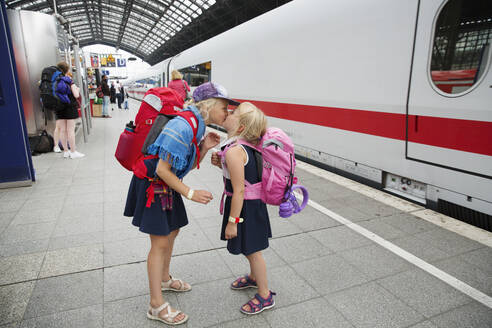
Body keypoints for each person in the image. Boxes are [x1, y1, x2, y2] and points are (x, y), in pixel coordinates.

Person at [124, 82, 239, 325]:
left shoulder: (197, 125)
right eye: (224, 107)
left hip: (165, 183)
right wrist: (190, 193)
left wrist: (204, 147)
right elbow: (164, 169)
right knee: (160, 241)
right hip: (153, 184)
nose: (227, 113)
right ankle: (155, 305)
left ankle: (164, 279)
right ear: (208, 105)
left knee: (172, 231)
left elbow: (181, 164)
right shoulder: (184, 125)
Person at [211, 102, 275, 315]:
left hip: (243, 208)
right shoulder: (245, 146)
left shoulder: (235, 151)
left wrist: (232, 222)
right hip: (252, 206)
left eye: (233, 113)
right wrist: (219, 162)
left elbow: (239, 190)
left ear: (240, 128)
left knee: (253, 251)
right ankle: (254, 277)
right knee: (251, 248)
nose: (228, 114)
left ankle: (265, 295)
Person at [52, 62, 85, 159]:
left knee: (62, 130)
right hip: (69, 107)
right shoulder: (68, 80)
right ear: (67, 70)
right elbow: (76, 95)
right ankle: (73, 152)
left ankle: (66, 152)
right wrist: (77, 89)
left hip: (59, 108)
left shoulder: (55, 80)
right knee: (70, 130)